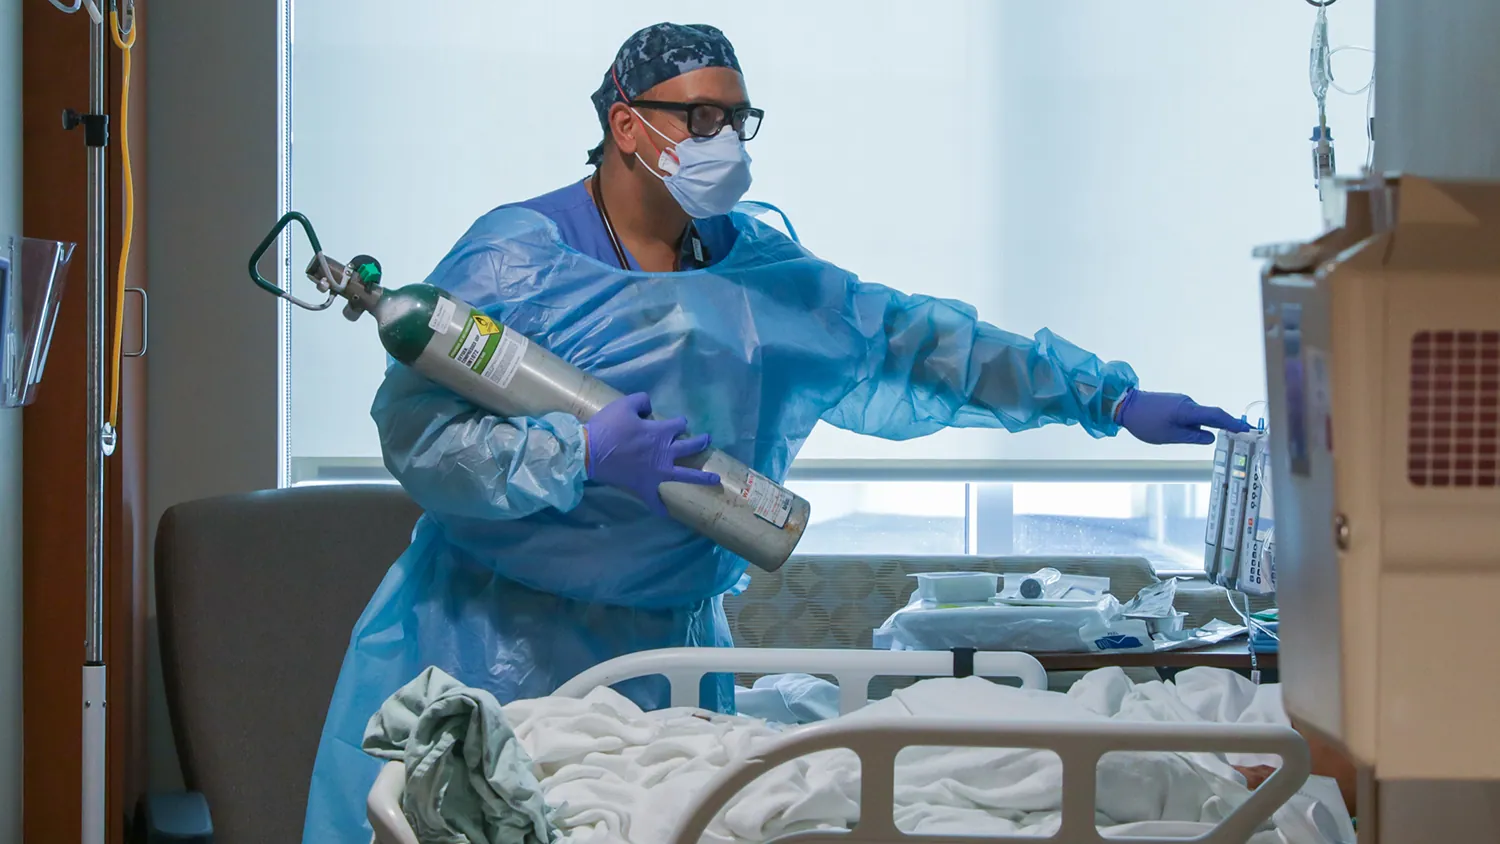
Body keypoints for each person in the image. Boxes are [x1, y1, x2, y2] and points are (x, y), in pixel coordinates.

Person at [302, 22, 1250, 843]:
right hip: (490, 638)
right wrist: (572, 453)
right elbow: (419, 439)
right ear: (625, 125)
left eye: (738, 118)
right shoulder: (521, 260)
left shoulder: (757, 270)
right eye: (699, 117)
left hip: (671, 655)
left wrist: (1102, 400)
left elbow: (913, 343)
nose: (726, 140)